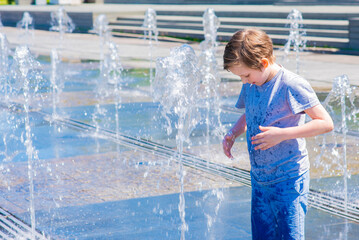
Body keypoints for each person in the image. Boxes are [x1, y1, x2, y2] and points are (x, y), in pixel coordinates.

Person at [222, 28, 334, 240]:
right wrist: (233, 132)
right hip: (260, 178)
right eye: (240, 77)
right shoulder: (252, 83)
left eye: (246, 75)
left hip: (289, 179)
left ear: (263, 63)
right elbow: (250, 112)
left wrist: (282, 134)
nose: (244, 82)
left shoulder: (290, 84)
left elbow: (326, 123)